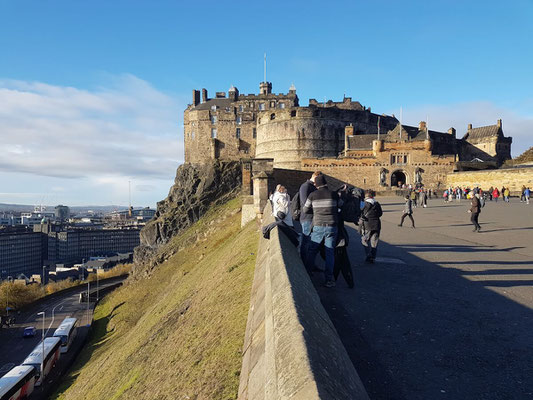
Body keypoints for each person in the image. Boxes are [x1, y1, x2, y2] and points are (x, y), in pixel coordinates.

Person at [303, 174, 339, 287]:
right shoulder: (333, 194)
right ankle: (329, 279)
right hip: (332, 226)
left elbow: (305, 209)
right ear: (326, 183)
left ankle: (308, 274)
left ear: (316, 184)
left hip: (318, 225)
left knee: (312, 250)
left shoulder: (313, 195)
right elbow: (340, 205)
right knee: (330, 253)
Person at [298, 171, 321, 262]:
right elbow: (304, 203)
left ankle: (310, 264)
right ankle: (305, 264)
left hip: (314, 218)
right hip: (307, 218)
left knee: (313, 243)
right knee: (307, 242)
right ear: (315, 177)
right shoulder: (305, 186)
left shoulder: (313, 187)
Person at [360, 189, 383, 263]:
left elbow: (360, 212)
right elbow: (380, 214)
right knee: (374, 242)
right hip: (376, 224)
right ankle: (373, 257)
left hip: (367, 225)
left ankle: (368, 254)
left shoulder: (363, 203)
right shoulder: (377, 203)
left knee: (364, 240)